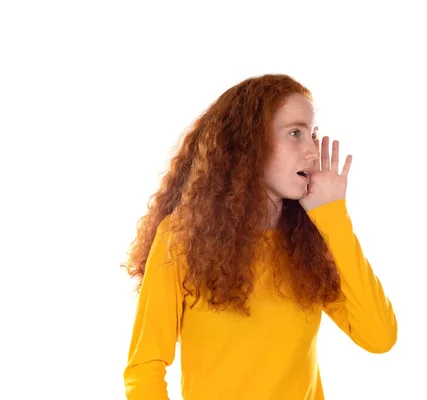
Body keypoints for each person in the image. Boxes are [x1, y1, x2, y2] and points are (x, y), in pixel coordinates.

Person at [121, 73, 397, 400]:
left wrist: (334, 216)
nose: (311, 151)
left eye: (313, 134)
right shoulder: (181, 239)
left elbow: (380, 337)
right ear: (250, 143)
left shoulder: (310, 243)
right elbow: (145, 367)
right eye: (295, 133)